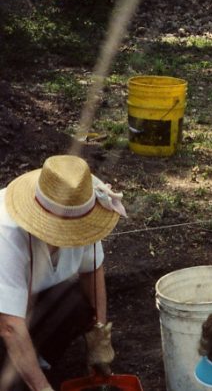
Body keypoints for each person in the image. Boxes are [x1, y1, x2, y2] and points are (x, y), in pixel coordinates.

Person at [0, 155, 126, 391]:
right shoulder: (5, 232)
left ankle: (32, 363)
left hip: (26, 308)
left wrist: (99, 338)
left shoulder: (82, 214)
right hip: (6, 318)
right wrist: (43, 388)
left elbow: (93, 271)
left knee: (76, 303)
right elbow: (8, 325)